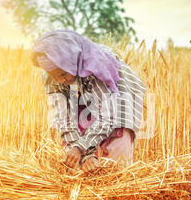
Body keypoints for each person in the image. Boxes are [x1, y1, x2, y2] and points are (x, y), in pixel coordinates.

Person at [31, 29, 147, 172]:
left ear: (70, 61)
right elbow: (63, 118)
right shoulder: (50, 74)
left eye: (63, 74)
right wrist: (83, 153)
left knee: (115, 162)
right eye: (55, 77)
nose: (60, 80)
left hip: (117, 98)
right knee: (76, 163)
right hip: (82, 98)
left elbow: (108, 116)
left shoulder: (96, 64)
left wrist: (81, 148)